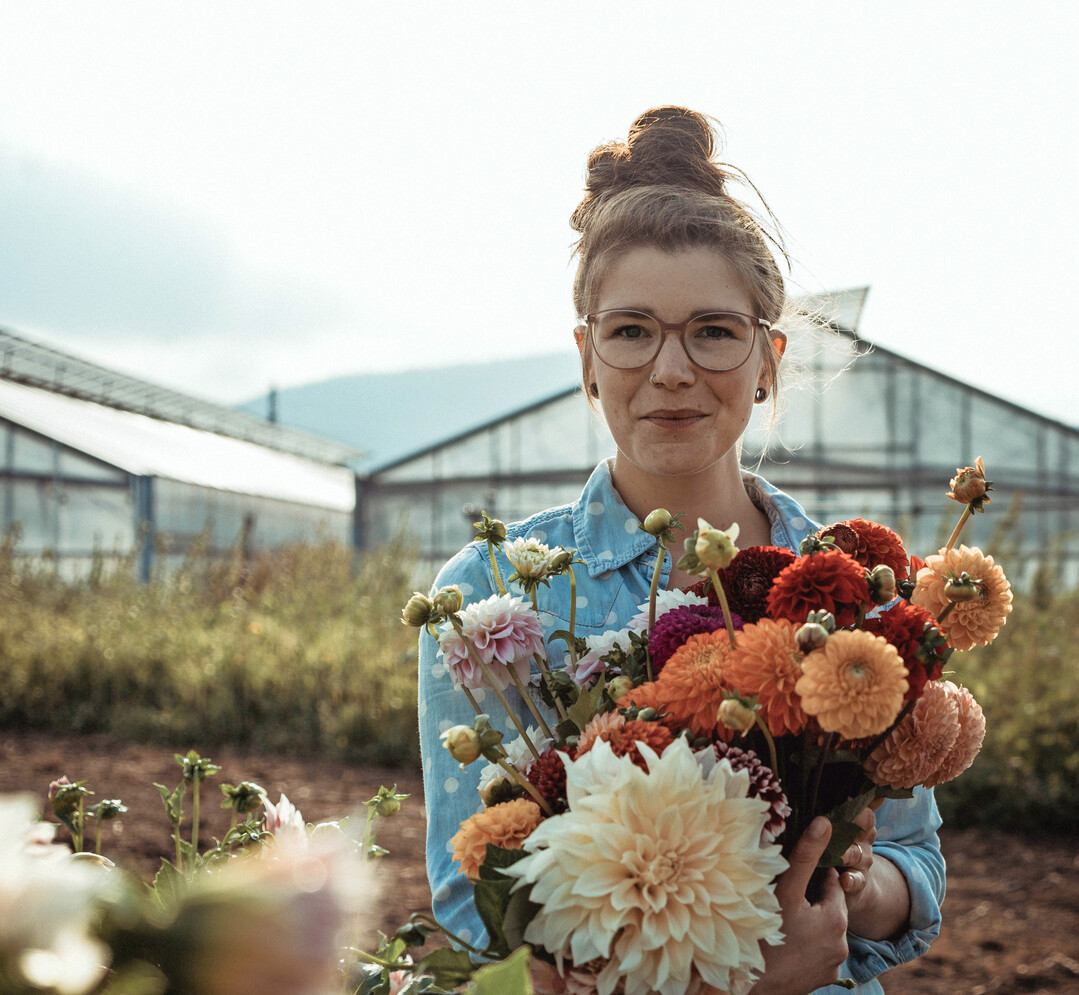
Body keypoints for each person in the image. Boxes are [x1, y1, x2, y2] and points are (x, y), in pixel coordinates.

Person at [417, 106, 945, 994]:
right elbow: (473, 899)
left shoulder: (856, 591)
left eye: (712, 330)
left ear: (767, 358)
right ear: (586, 357)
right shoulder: (491, 592)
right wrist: (724, 979)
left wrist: (855, 887)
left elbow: (917, 866)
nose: (669, 369)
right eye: (630, 331)